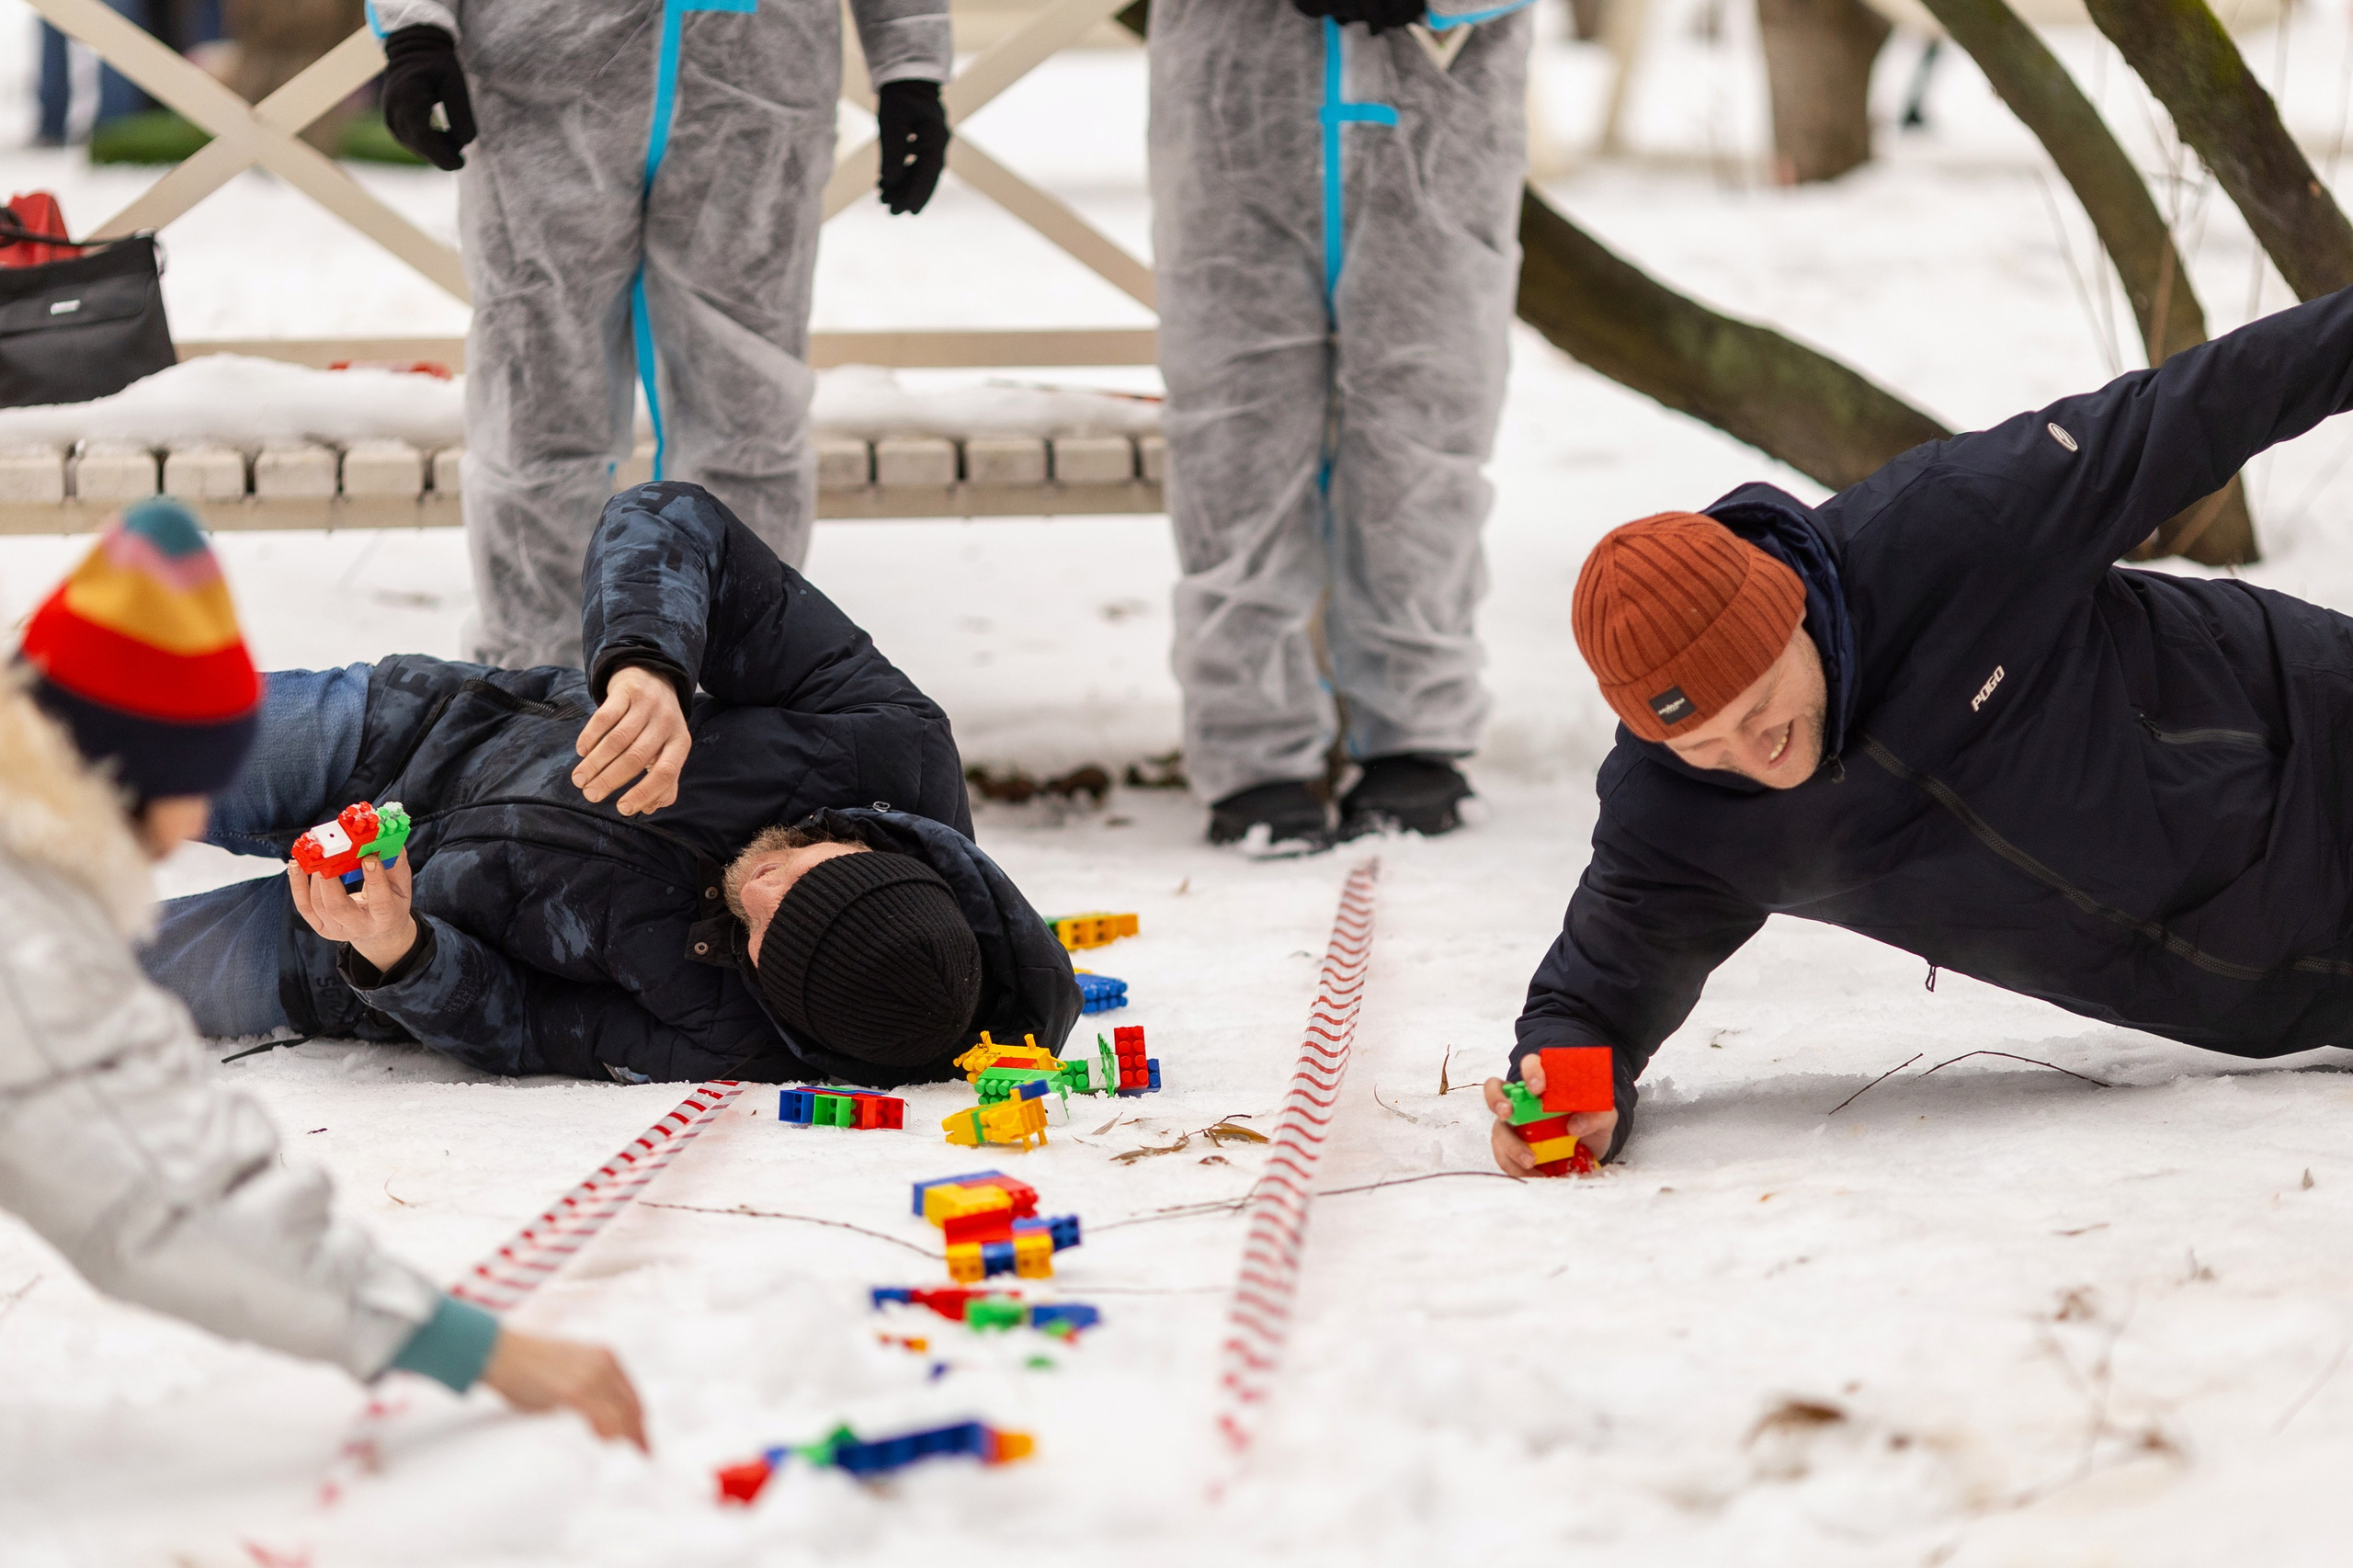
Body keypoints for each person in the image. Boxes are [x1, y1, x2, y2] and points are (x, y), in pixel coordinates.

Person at [1488, 286, 2353, 1174]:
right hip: (2285, 986)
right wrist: (1563, 1089)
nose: (1753, 757)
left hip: (2320, 738)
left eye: (1758, 708)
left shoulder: (1960, 525)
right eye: (1705, 747)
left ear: (1792, 611)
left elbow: (2207, 401)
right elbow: (1593, 1002)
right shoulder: (1677, 815)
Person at [0, 498, 642, 1444]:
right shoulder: (33, 958)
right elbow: (178, 1201)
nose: (194, 824)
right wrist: (485, 1350)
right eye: (198, 782)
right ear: (140, 771)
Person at [142, 481, 1082, 1086]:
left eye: (764, 938)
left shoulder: (734, 1036)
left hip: (343, 937)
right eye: (798, 877)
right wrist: (649, 666)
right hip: (404, 734)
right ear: (877, 844)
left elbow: (519, 1026)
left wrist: (400, 953)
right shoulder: (888, 743)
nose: (754, 892)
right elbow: (671, 516)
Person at [367, 0, 953, 669]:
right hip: (538, 76)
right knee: (537, 394)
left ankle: (739, 685)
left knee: (747, 403)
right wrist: (416, 26)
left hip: (759, 82)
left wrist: (909, 62)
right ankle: (537, 687)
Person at [1148, 0, 1537, 851]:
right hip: (1231, 111)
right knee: (1232, 437)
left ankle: (1417, 739)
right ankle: (1253, 753)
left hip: (1442, 114)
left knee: (1427, 434)